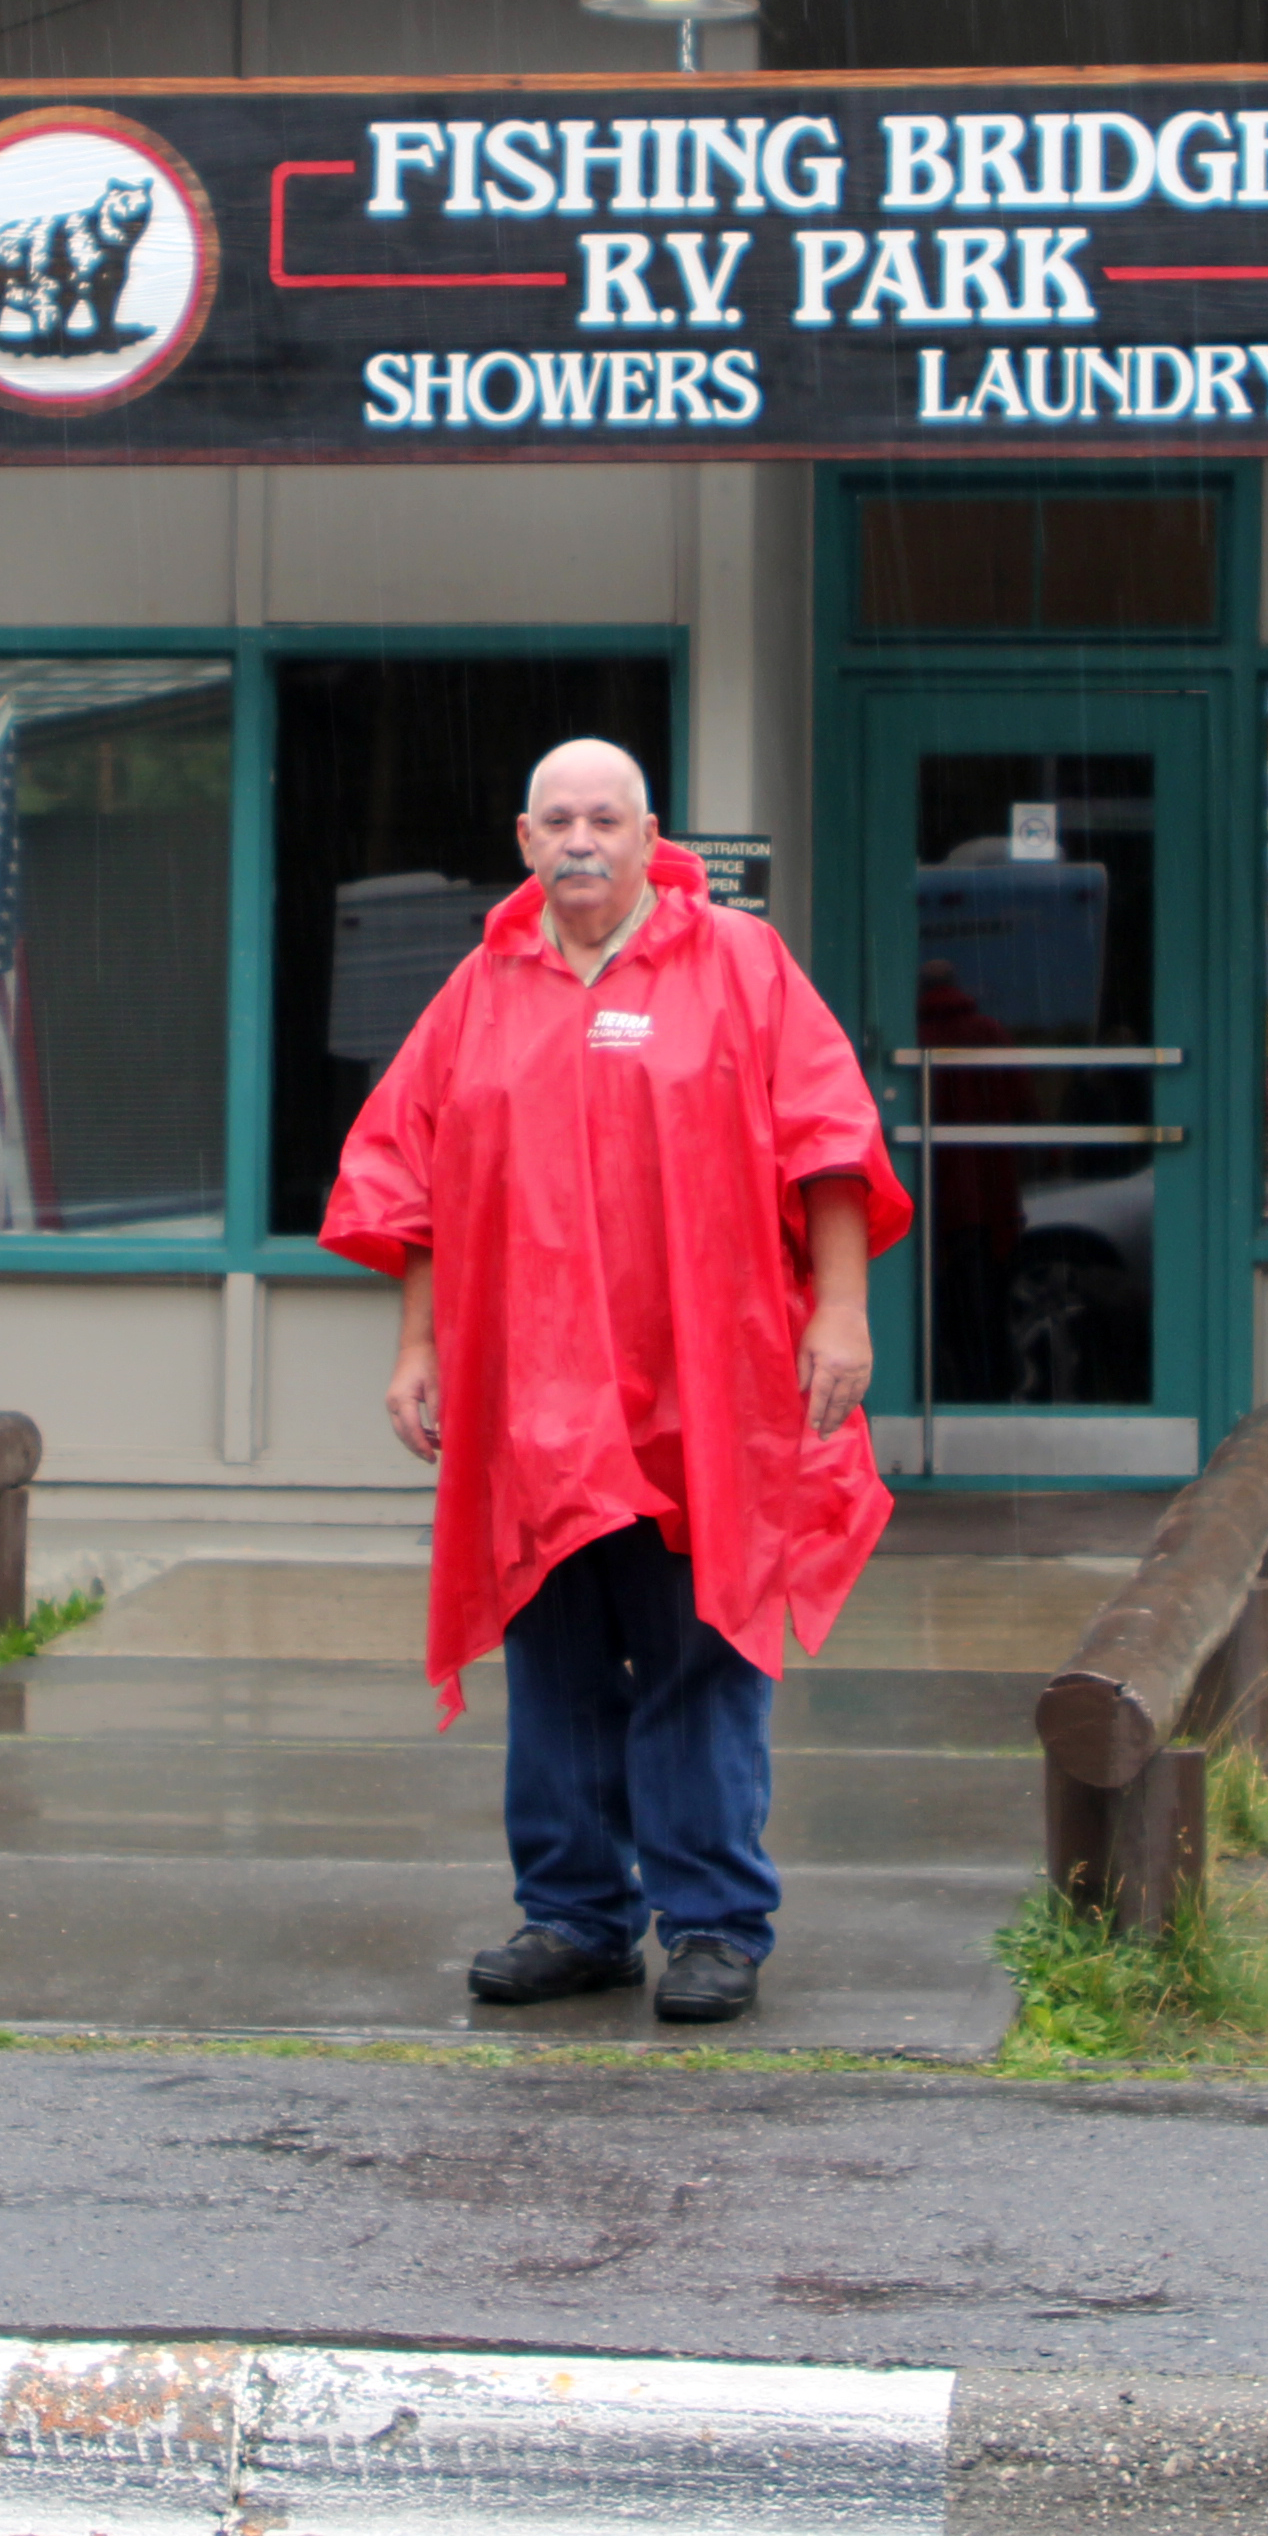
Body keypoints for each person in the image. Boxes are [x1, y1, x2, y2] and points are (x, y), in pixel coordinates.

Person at [319, 738, 909, 2025]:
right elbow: (404, 1178)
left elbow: (832, 1146)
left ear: (651, 838)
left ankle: (712, 1922)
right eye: (558, 822)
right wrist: (419, 1346)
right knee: (558, 1650)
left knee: (700, 1646)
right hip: (531, 1391)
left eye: (607, 819)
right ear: (524, 842)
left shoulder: (740, 968)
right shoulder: (480, 988)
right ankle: (578, 1914)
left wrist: (844, 1315)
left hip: (704, 1374)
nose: (582, 841)